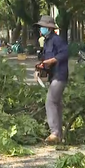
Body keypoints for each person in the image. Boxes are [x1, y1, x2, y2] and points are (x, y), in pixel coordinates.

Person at [35, 15, 68, 144]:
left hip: (60, 75)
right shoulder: (47, 41)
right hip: (53, 76)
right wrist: (40, 69)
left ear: (49, 28)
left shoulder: (57, 40)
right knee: (57, 104)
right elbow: (45, 61)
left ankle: (54, 132)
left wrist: (51, 61)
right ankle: (59, 135)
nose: (41, 29)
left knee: (50, 101)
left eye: (43, 27)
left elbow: (64, 53)